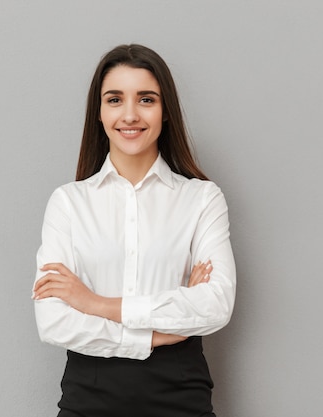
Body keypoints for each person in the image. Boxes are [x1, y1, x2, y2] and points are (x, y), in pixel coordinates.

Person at [31, 44, 236, 417]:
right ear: (99, 112)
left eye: (146, 99)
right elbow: (54, 321)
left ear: (165, 110)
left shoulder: (201, 199)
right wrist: (157, 335)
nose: (129, 114)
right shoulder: (68, 203)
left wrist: (96, 304)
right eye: (114, 99)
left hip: (180, 398)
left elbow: (215, 306)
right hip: (87, 400)